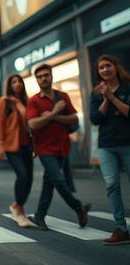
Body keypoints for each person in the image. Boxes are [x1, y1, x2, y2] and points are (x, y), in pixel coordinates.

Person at [26, 63, 91, 230]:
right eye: (40, 77)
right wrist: (56, 113)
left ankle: (40, 216)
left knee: (49, 182)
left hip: (62, 146)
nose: (44, 79)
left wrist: (52, 116)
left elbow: (75, 119)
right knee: (58, 179)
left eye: (46, 75)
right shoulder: (33, 101)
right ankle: (78, 208)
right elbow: (33, 124)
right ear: (36, 80)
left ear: (51, 76)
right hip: (44, 148)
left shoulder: (63, 97)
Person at [89, 55, 130, 245]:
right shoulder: (96, 93)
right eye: (101, 68)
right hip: (106, 146)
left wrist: (112, 96)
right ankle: (121, 228)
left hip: (127, 143)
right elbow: (96, 119)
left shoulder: (127, 87)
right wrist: (105, 98)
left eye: (108, 66)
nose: (105, 70)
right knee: (112, 185)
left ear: (115, 67)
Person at [0, 74, 33, 227]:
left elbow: (31, 123)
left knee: (29, 179)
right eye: (14, 82)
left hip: (26, 145)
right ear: (9, 86)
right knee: (22, 175)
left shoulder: (26, 101)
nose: (17, 84)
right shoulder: (4, 102)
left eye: (19, 82)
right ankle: (20, 212)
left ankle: (17, 205)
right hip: (11, 145)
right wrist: (0, 144)